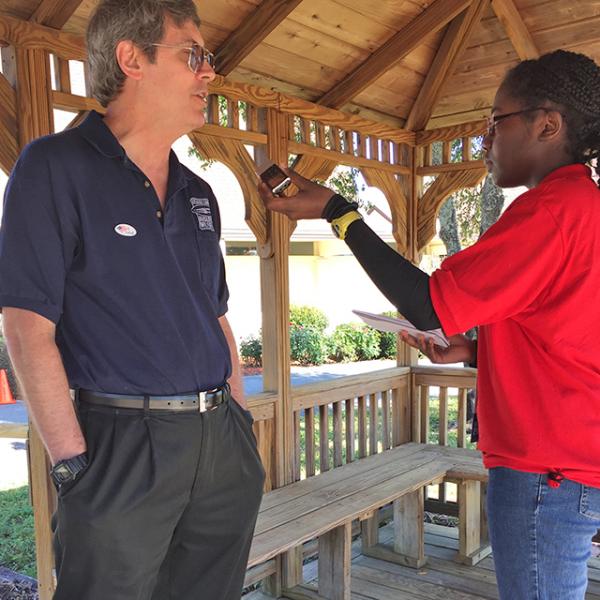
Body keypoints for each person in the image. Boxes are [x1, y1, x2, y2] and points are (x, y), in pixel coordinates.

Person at [259, 49, 600, 600]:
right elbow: (567, 338)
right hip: (565, 460)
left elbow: (430, 305)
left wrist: (339, 213)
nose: (484, 141)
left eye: (495, 122)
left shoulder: (552, 212)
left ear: (547, 124)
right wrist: (472, 353)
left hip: (547, 469)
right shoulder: (584, 207)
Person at [0, 1, 264, 598]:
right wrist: (72, 465)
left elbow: (216, 314)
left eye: (208, 59)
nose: (208, 73)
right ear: (130, 58)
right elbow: (26, 328)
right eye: (193, 54)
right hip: (119, 444)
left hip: (220, 443)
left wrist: (239, 424)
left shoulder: (200, 192)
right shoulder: (53, 167)